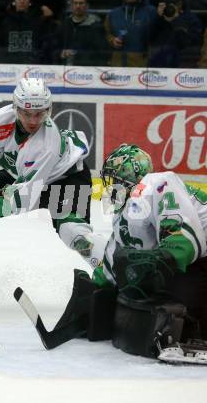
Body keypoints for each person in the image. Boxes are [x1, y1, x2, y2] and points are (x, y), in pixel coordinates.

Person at [0, 77, 106, 305]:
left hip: (68, 179)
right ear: (15, 108)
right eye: (27, 113)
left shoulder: (47, 142)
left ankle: (115, 271)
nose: (33, 120)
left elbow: (25, 197)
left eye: (40, 113)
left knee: (72, 232)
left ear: (49, 110)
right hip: (24, 176)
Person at [51, 144, 207, 358]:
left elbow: (183, 235)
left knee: (171, 284)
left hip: (199, 255)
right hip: (198, 259)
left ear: (129, 179)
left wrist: (164, 256)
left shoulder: (156, 183)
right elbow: (114, 263)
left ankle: (196, 329)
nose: (110, 186)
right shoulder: (125, 214)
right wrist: (92, 300)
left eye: (114, 180)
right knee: (140, 284)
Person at [52, 0, 108, 66]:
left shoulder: (96, 26)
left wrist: (77, 54)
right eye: (75, 3)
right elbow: (54, 46)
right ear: (71, 6)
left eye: (81, 3)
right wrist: (60, 53)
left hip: (88, 69)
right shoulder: (64, 24)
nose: (78, 6)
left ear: (87, 6)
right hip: (64, 68)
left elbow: (101, 52)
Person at [149, 0, 202, 68]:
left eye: (172, 3)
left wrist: (176, 20)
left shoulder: (192, 19)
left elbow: (191, 43)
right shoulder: (156, 18)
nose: (169, 6)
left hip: (184, 65)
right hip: (159, 65)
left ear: (180, 3)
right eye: (166, 4)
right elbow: (147, 38)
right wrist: (158, 18)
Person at [104, 0, 158, 67]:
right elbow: (107, 34)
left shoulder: (152, 12)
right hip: (117, 66)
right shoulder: (113, 14)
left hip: (143, 68)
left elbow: (160, 35)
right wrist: (112, 40)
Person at [0, 0, 43, 64]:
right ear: (14, 2)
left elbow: (41, 45)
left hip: (32, 64)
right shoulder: (5, 22)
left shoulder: (37, 22)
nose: (22, 1)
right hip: (8, 64)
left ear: (30, 2)